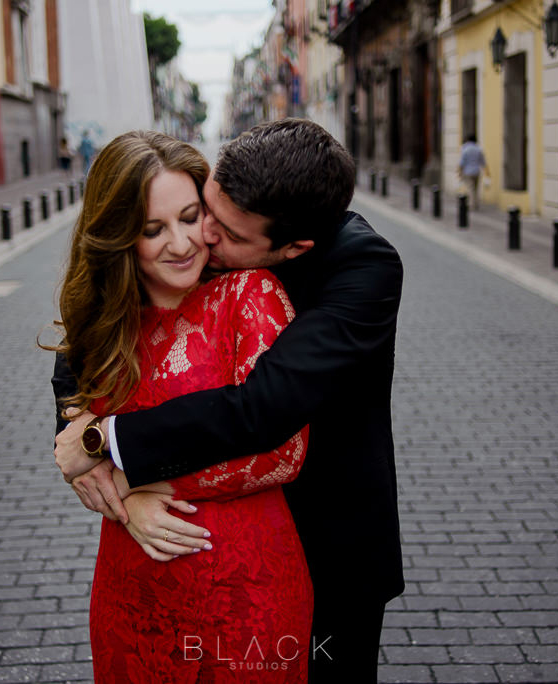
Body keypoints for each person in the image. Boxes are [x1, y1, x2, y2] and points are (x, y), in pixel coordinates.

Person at [53, 118, 405, 682]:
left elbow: (262, 410)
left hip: (326, 539)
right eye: (204, 208)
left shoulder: (362, 268)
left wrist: (112, 455)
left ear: (293, 249)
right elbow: (90, 331)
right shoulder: (188, 243)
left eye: (226, 232)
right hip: (159, 571)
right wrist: (76, 425)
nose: (202, 238)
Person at [457, 134, 489, 210]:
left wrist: (459, 171)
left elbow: (462, 162)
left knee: (470, 188)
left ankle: (472, 204)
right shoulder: (478, 149)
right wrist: (487, 172)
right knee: (476, 188)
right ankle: (476, 203)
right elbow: (483, 162)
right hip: (476, 171)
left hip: (467, 172)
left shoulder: (465, 148)